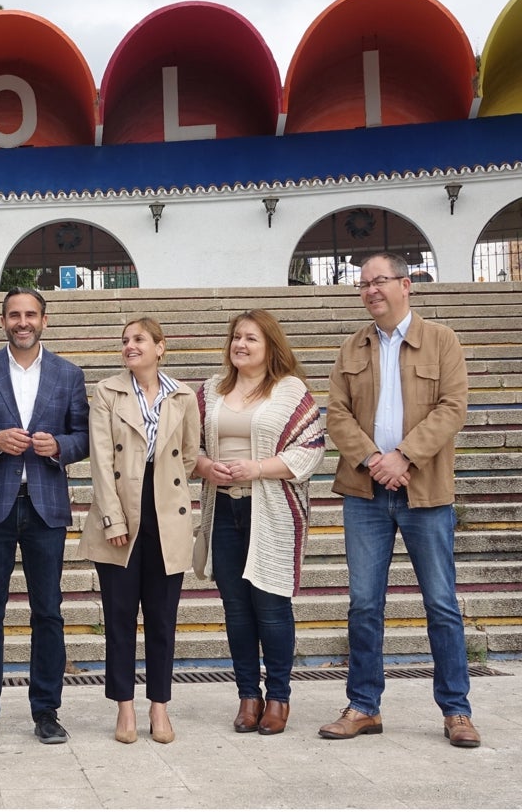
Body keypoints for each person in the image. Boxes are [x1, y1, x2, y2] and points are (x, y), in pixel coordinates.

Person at [319, 252, 480, 748]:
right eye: (363, 284)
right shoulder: (352, 347)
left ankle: (456, 710)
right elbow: (337, 415)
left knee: (441, 604)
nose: (371, 290)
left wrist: (404, 456)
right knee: (364, 604)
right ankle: (364, 705)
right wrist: (373, 460)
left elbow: (453, 407)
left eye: (380, 281)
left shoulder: (441, 340)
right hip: (366, 493)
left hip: (426, 493)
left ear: (406, 285)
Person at [0, 287, 89, 746]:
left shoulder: (68, 374)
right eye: (14, 315)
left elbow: (84, 435)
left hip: (46, 505)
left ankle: (46, 710)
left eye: (30, 314)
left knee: (48, 612)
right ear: (3, 320)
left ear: (44, 320)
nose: (22, 321)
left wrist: (60, 448)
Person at [192, 310, 325, 735]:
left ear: (270, 345)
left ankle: (279, 699)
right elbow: (185, 446)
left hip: (272, 508)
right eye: (236, 337)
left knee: (271, 608)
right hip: (224, 508)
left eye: (251, 338)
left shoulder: (290, 390)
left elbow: (311, 448)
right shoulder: (210, 390)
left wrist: (258, 468)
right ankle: (248, 696)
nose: (241, 345)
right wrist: (206, 466)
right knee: (236, 609)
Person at [79, 317, 198, 744]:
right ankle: (125, 709)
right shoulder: (107, 391)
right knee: (119, 618)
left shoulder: (183, 395)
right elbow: (98, 458)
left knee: (163, 620)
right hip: (121, 513)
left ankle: (160, 710)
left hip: (167, 512)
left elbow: (188, 454)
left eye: (139, 339)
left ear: (160, 347)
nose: (130, 346)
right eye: (125, 340)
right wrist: (112, 517)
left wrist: (168, 492)